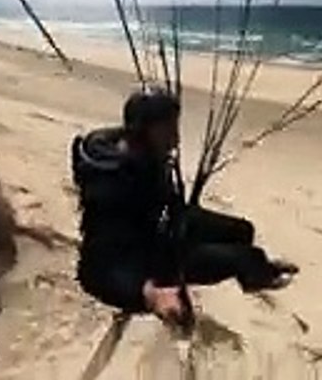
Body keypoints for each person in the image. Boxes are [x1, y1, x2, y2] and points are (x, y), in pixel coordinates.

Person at [70, 88, 297, 323]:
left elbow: (168, 207)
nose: (176, 139)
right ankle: (249, 266)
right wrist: (149, 294)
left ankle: (254, 274)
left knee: (242, 230)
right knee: (244, 257)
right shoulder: (115, 186)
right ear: (144, 131)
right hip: (147, 259)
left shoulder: (144, 159)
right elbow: (97, 268)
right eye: (168, 131)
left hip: (166, 229)